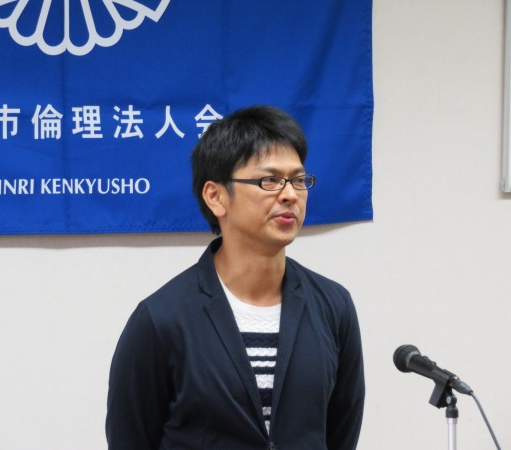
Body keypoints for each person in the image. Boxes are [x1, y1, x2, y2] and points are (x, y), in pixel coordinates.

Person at [106, 105, 365, 449]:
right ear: (216, 197)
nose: (290, 194)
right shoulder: (161, 319)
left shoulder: (333, 307)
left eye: (298, 180)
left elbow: (341, 433)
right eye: (269, 180)